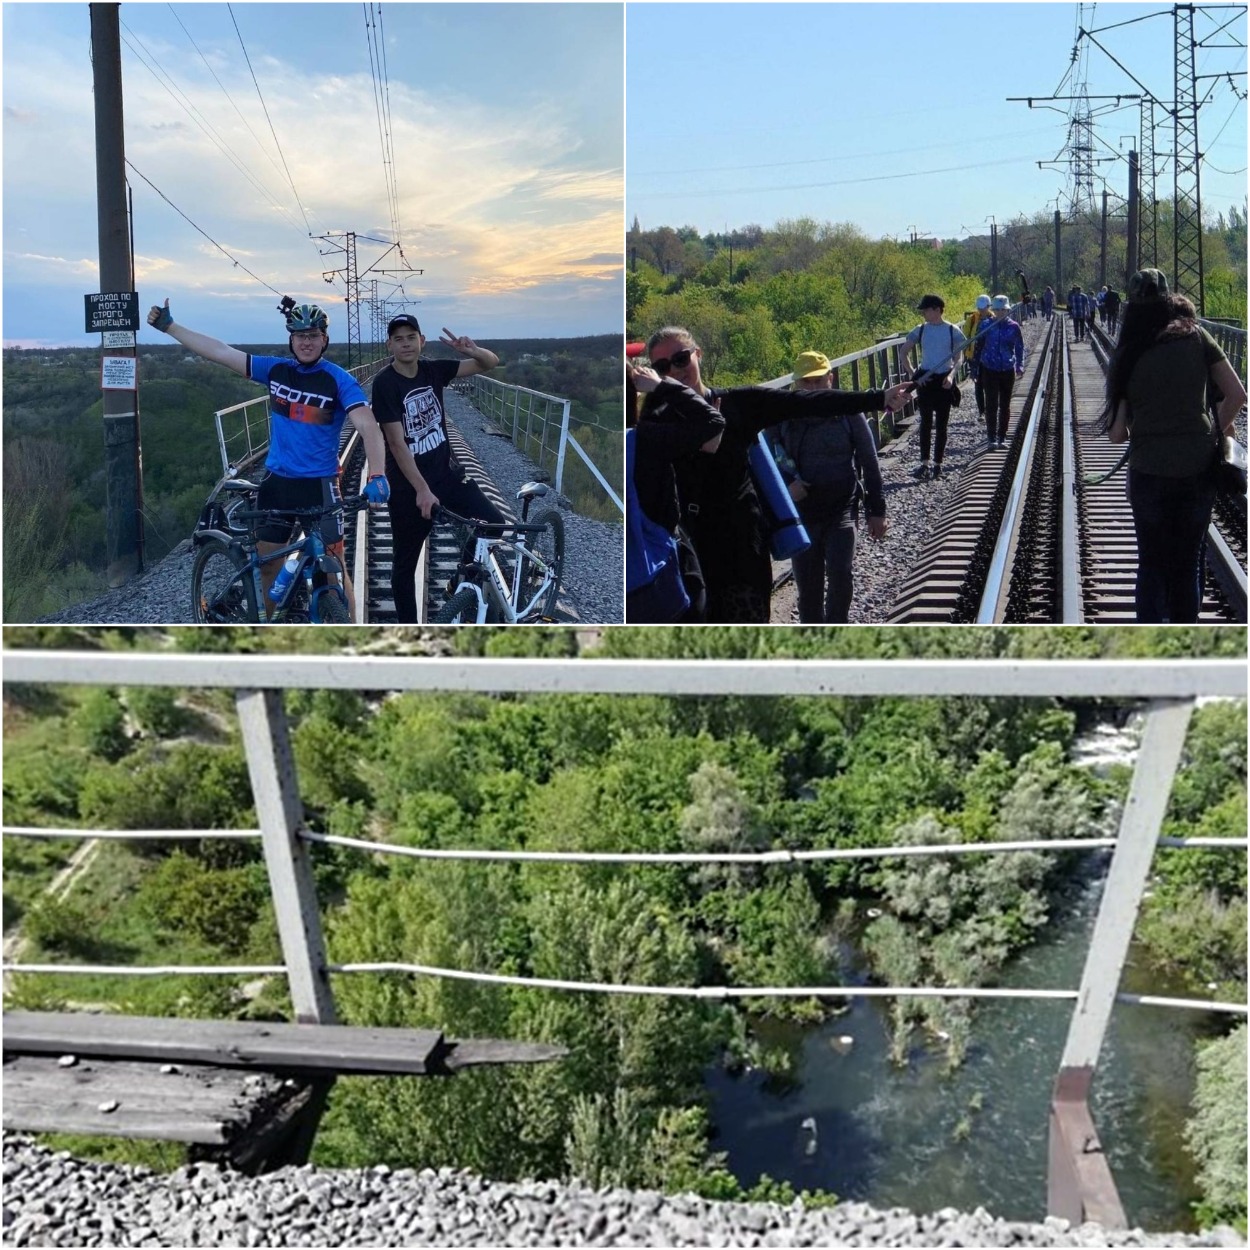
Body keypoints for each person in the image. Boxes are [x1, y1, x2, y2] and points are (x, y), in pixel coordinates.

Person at [639, 326, 913, 623]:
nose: (675, 370)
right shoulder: (657, 423)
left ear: (698, 355)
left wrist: (879, 397)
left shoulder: (738, 405)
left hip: (743, 547)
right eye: (662, 367)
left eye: (681, 359)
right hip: (690, 550)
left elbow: (808, 401)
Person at [146, 297, 393, 619]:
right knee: (269, 569)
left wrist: (377, 473)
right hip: (277, 485)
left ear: (324, 340)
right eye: (300, 336)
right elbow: (221, 352)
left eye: (313, 335)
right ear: (291, 340)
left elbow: (367, 424)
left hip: (320, 487)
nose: (306, 342)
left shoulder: (337, 379)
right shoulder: (277, 371)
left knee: (334, 571)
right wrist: (170, 327)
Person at [1097, 268, 1247, 623]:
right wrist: (1214, 431)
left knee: (1151, 561)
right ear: (1168, 297)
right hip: (1197, 468)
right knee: (1187, 562)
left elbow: (1118, 435)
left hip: (1149, 472)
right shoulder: (1197, 336)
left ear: (1131, 304)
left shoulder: (1129, 350)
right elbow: (1238, 395)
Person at [370, 314, 502, 624]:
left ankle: (460, 580)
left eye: (411, 336)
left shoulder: (433, 369)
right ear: (389, 344)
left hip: (447, 475)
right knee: (404, 566)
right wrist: (422, 490)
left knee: (494, 524)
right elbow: (397, 443)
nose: (405, 343)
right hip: (408, 488)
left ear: (421, 341)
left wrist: (472, 351)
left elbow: (490, 363)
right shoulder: (385, 383)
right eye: (398, 338)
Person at [776, 351, 888, 623]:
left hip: (842, 506)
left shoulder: (848, 412)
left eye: (818, 380)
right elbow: (768, 456)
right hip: (802, 512)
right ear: (796, 384)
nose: (812, 388)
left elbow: (869, 460)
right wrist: (788, 483)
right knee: (809, 586)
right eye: (806, 382)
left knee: (840, 573)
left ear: (830, 378)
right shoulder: (782, 415)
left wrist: (877, 510)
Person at [626, 348, 724, 622]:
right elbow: (713, 420)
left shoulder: (634, 439)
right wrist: (660, 386)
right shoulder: (646, 438)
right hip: (663, 576)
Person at [902, 294, 968, 480]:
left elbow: (959, 357)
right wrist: (914, 375)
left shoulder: (952, 330)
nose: (923, 313)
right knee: (925, 423)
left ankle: (938, 464)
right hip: (926, 379)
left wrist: (952, 375)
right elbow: (903, 352)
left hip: (943, 380)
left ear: (937, 310)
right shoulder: (920, 330)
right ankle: (924, 464)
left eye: (926, 310)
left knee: (942, 425)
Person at [973, 295, 1026, 448]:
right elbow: (978, 348)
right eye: (997, 309)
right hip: (989, 368)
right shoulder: (985, 325)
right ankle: (991, 438)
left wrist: (1019, 365)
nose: (1000, 312)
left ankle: (1002, 437)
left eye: (1003, 309)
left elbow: (1019, 347)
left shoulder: (1014, 326)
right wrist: (975, 369)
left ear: (1008, 309)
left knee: (1005, 404)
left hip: (1007, 369)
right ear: (993, 310)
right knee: (991, 404)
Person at [961, 294, 993, 419]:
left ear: (988, 306)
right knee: (978, 384)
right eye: (979, 308)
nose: (981, 310)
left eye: (983, 307)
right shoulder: (972, 319)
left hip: (990, 356)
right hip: (974, 356)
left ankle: (991, 409)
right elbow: (965, 337)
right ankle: (982, 412)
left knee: (990, 383)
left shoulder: (994, 318)